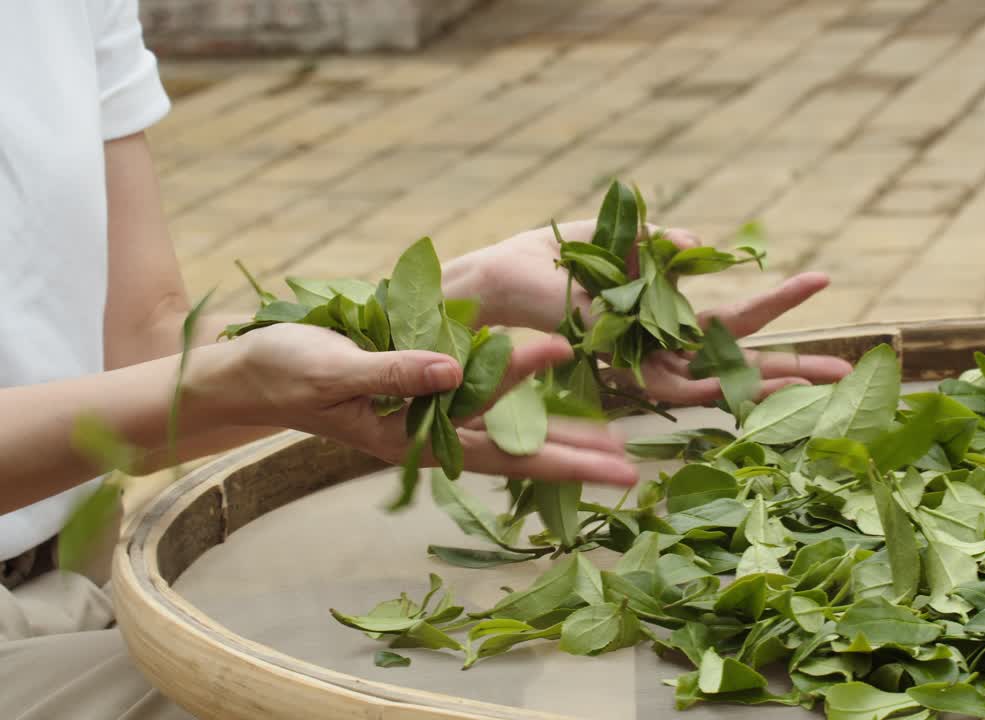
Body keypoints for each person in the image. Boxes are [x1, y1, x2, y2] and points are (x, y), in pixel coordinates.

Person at [0, 2, 853, 718]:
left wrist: (459, 299)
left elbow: (144, 347)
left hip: (83, 581)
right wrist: (229, 379)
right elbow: (182, 380)